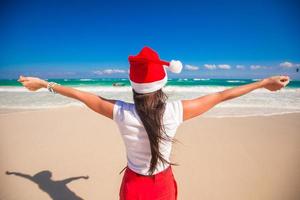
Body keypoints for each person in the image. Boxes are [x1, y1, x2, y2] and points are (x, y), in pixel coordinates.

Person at [18, 46, 290, 200]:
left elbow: (81, 95)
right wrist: (263, 83)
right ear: (161, 86)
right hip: (162, 185)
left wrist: (44, 84)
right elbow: (221, 95)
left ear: (134, 86)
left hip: (134, 186)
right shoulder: (175, 111)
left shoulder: (121, 112)